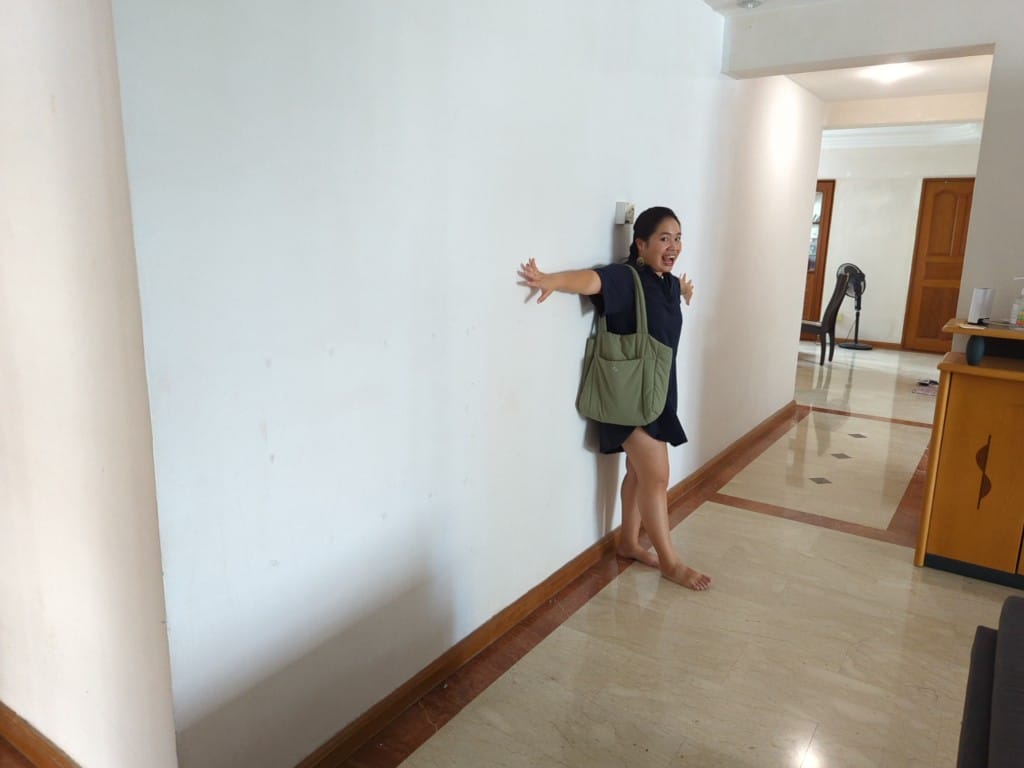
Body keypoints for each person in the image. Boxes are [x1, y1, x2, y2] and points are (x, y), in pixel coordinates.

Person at [517, 206, 711, 591]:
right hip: (627, 397)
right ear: (641, 244)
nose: (673, 246)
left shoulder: (668, 283)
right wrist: (552, 279)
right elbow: (591, 280)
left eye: (678, 238)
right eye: (664, 239)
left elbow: (671, 299)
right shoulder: (626, 278)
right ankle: (670, 563)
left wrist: (685, 292)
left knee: (638, 473)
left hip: (655, 392)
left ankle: (627, 543)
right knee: (657, 476)